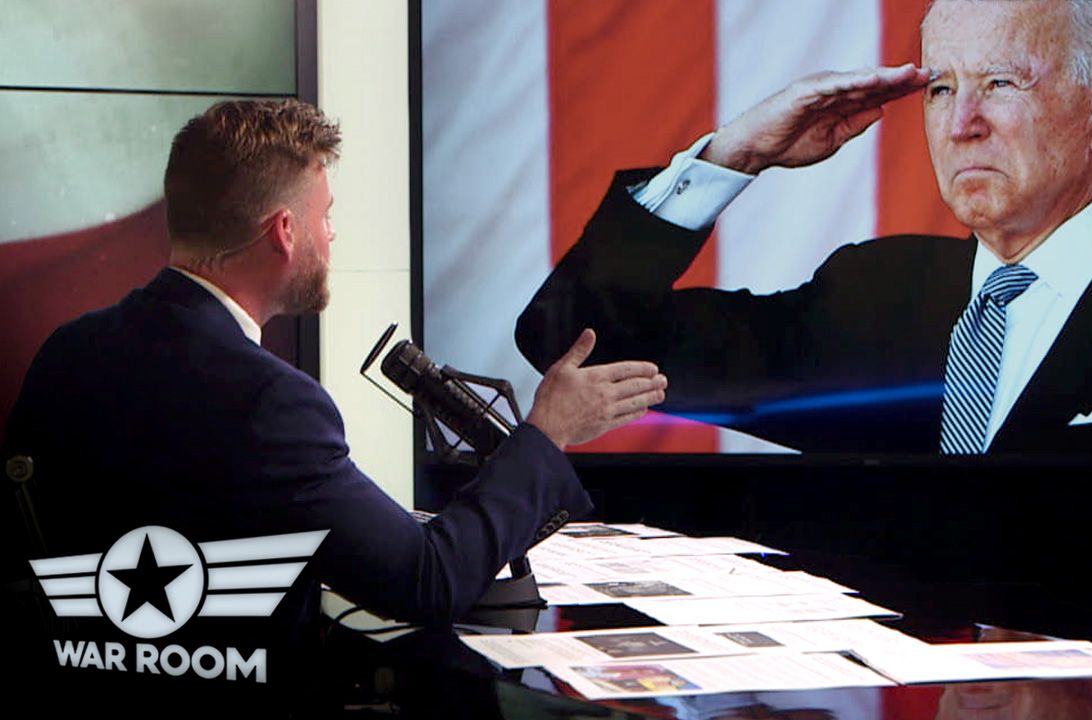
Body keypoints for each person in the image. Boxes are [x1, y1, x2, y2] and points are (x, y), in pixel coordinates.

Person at [1, 99, 667, 708]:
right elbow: (425, 582)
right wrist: (546, 432)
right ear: (284, 231)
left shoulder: (69, 351)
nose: (332, 236)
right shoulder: (268, 402)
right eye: (325, 216)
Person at [516, 0, 1092, 455]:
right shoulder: (870, 295)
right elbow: (577, 338)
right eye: (941, 88)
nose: (962, 123)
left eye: (1001, 82)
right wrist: (733, 155)